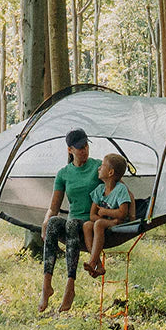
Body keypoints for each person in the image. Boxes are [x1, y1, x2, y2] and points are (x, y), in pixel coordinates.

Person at [39, 128, 101, 312]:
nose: (84, 150)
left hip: (89, 222)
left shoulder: (98, 166)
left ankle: (70, 286)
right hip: (72, 225)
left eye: (86, 146)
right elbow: (54, 207)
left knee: (72, 224)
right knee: (53, 223)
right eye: (79, 147)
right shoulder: (63, 173)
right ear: (70, 150)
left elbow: (117, 187)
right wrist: (45, 222)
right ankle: (46, 285)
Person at [83, 154, 130, 277]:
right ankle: (98, 265)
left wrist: (105, 212)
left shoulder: (120, 189)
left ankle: (92, 262)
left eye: (102, 165)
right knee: (87, 225)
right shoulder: (99, 189)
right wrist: (103, 219)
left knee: (98, 223)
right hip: (107, 223)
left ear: (110, 172)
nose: (99, 168)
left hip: (118, 224)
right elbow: (92, 215)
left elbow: (122, 213)